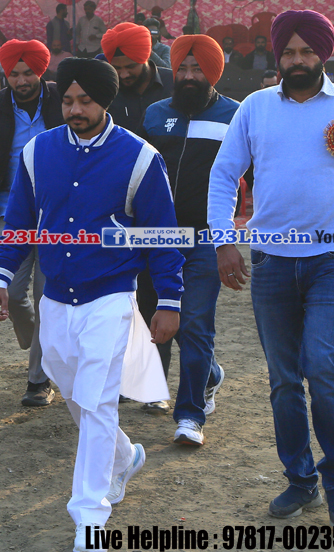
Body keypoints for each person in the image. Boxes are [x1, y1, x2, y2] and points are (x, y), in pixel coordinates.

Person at [208, 9, 334, 527]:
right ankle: (300, 480)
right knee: (284, 379)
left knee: (322, 366)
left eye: (306, 51)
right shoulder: (255, 108)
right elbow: (224, 176)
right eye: (288, 52)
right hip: (270, 262)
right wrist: (224, 241)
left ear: (323, 54)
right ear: (278, 56)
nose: (297, 60)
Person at [0, 57, 181, 551]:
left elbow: (162, 235)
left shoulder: (140, 158)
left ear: (105, 102)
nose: (75, 110)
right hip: (55, 296)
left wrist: (169, 299)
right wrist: (1, 276)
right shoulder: (38, 151)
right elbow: (19, 221)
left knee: (96, 400)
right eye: (69, 101)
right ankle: (123, 456)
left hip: (111, 296)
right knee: (74, 390)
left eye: (85, 102)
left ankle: (89, 517)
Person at [143, 35, 239, 446]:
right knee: (158, 317)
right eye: (182, 68)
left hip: (205, 237)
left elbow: (253, 175)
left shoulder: (235, 115)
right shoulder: (154, 115)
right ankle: (210, 374)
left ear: (213, 72)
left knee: (196, 322)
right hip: (156, 237)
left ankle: (189, 416)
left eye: (198, 69)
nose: (188, 76)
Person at [0, 39, 62, 407]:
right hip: (12, 216)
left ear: (40, 71)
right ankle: (34, 339)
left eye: (28, 73)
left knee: (46, 299)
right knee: (10, 293)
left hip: (59, 217)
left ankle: (38, 380)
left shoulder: (63, 100)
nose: (22, 80)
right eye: (14, 74)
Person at [102, 21, 175, 411]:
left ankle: (154, 386)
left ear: (146, 58)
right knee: (120, 301)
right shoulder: (107, 91)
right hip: (116, 212)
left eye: (130, 66)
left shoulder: (176, 86)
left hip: (164, 209)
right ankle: (124, 379)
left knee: (157, 297)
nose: (124, 74)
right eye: (117, 69)